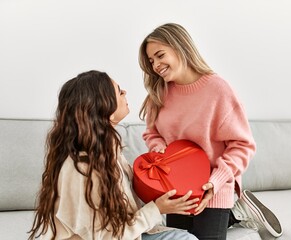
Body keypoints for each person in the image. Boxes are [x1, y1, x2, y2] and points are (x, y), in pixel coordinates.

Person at [138, 23, 283, 239]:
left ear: (180, 48)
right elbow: (152, 133)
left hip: (213, 188)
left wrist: (215, 182)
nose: (156, 65)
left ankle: (234, 212)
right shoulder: (159, 94)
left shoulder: (218, 90)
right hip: (176, 189)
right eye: (151, 61)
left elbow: (242, 144)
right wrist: (161, 151)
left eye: (160, 55)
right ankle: (238, 213)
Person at [28, 70, 199, 240]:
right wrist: (156, 210)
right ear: (105, 107)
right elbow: (104, 236)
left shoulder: (106, 150)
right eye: (119, 91)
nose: (125, 93)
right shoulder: (82, 168)